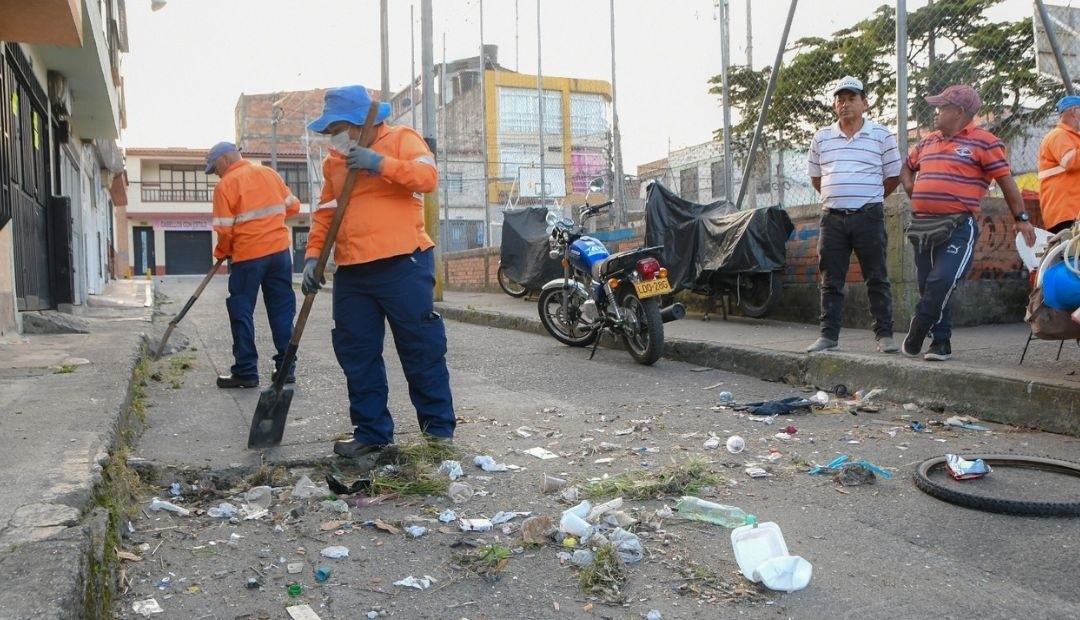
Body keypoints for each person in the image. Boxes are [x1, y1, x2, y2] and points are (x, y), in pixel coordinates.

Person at [302, 85, 455, 465]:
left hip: (403, 263)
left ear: (359, 123)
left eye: (336, 128)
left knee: (421, 350)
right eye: (327, 132)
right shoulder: (334, 162)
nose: (331, 138)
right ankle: (371, 435)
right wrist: (312, 257)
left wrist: (377, 163)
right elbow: (325, 213)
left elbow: (427, 178)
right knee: (358, 354)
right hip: (352, 272)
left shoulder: (402, 138)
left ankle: (437, 434)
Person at [899, 85, 1036, 361]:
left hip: (958, 226)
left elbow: (1006, 182)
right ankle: (941, 343)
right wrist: (911, 187)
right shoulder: (928, 141)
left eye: (942, 107)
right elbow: (906, 166)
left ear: (960, 112)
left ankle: (920, 323)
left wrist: (1021, 219)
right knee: (929, 285)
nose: (936, 113)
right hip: (923, 225)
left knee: (942, 280)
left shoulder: (985, 142)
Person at [805, 76, 902, 354]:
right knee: (830, 280)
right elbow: (816, 178)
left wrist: (868, 197)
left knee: (877, 277)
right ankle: (828, 336)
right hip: (832, 218)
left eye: (851, 99)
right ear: (835, 105)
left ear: (865, 103)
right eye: (840, 99)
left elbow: (893, 176)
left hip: (868, 216)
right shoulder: (821, 137)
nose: (845, 104)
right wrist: (838, 195)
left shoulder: (881, 135)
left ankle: (884, 335)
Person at [207, 142, 300, 387]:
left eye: (214, 167)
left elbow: (225, 232)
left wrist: (222, 251)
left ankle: (246, 371)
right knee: (282, 309)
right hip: (280, 253)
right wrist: (269, 224)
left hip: (248, 255)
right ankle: (286, 369)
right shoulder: (269, 174)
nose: (215, 173)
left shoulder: (225, 185)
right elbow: (293, 206)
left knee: (241, 310)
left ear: (225, 159)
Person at [1037, 95, 1080, 234]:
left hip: (1071, 212)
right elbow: (1070, 161)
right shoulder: (1059, 135)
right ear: (1075, 111)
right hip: (1067, 212)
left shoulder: (1071, 137)